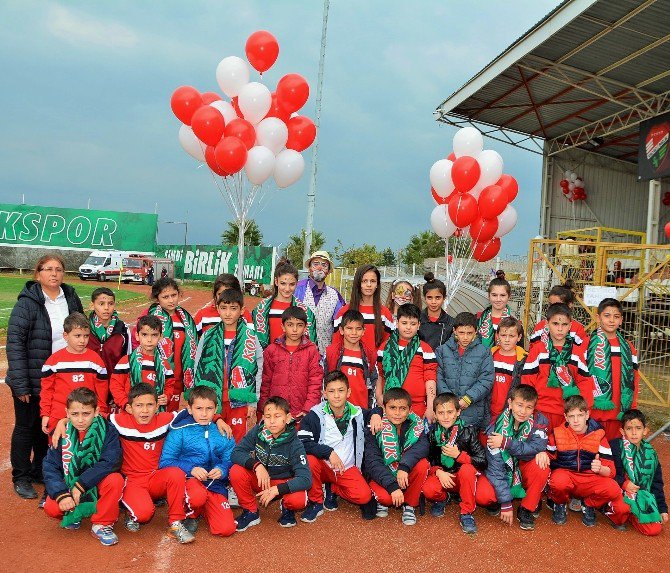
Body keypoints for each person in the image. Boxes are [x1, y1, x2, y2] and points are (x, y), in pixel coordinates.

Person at [7, 254, 83, 500]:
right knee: (26, 427)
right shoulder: (27, 303)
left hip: (61, 376)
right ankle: (21, 476)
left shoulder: (70, 297)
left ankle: (40, 469)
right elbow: (15, 343)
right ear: (38, 273)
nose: (54, 274)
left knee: (48, 427)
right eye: (48, 269)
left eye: (59, 269)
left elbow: (80, 331)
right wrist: (21, 383)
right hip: (31, 376)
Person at [110, 383, 194, 543]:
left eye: (150, 405)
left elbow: (193, 411)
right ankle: (130, 511)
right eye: (139, 405)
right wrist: (63, 421)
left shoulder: (165, 419)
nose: (144, 410)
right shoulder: (119, 421)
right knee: (144, 514)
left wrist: (218, 419)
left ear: (157, 406)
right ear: (129, 408)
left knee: (176, 473)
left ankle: (176, 523)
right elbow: (93, 415)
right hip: (132, 481)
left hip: (156, 478)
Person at [42, 388, 123, 546]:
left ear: (97, 411)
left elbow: (110, 461)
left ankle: (102, 523)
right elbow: (50, 466)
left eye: (86, 414)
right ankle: (74, 512)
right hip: (69, 484)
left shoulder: (108, 430)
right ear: (67, 413)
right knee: (52, 507)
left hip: (94, 484)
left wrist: (82, 484)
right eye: (74, 414)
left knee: (115, 480)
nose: (80, 420)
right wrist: (61, 494)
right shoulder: (61, 432)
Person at [298, 371, 376, 522]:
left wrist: (376, 414)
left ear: (348, 392)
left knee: (364, 496)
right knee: (309, 460)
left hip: (346, 468)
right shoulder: (314, 415)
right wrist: (328, 452)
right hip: (323, 466)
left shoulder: (357, 413)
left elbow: (376, 410)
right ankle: (316, 502)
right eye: (331, 391)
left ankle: (332, 488)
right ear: (324, 394)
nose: (336, 395)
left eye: (341, 390)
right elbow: (302, 442)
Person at [159, 386, 237, 537]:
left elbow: (230, 459)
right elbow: (166, 461)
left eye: (209, 408)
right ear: (189, 409)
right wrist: (191, 469)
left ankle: (204, 510)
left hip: (214, 485)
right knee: (197, 496)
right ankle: (191, 513)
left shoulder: (222, 431)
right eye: (199, 408)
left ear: (216, 410)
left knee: (226, 529)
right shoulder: (179, 431)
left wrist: (222, 469)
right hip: (189, 481)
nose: (204, 413)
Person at [230, 396, 312, 530]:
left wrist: (278, 489)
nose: (272, 421)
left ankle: (287, 508)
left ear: (287, 418)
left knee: (298, 500)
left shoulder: (295, 443)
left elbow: (306, 479)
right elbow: (236, 453)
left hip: (281, 484)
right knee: (236, 471)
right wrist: (256, 465)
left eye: (277, 416)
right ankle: (250, 511)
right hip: (262, 480)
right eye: (268, 416)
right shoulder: (258, 431)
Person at [191, 288, 259, 442]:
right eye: (224, 308)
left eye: (233, 308)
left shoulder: (250, 337)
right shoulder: (208, 335)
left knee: (236, 440)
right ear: (218, 309)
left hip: (239, 400)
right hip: (213, 399)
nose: (228, 313)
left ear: (242, 310)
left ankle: (235, 466)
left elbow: (257, 369)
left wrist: (253, 401)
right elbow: (198, 366)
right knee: (213, 439)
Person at [422, 393, 495, 534]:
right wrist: (438, 471)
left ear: (458, 412)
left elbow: (482, 462)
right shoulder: (432, 434)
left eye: (450, 412)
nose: (446, 417)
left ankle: (466, 512)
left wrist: (459, 456)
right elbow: (429, 459)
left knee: (473, 477)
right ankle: (444, 498)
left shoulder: (469, 431)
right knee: (429, 489)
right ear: (435, 415)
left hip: (466, 479)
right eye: (441, 413)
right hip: (447, 478)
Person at [547, 395, 622, 527]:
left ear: (587, 415)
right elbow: (548, 458)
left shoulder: (599, 435)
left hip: (589, 479)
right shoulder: (557, 433)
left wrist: (601, 469)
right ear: (565, 417)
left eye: (580, 415)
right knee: (557, 481)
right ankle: (560, 503)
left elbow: (611, 470)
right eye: (571, 416)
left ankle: (588, 504)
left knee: (613, 488)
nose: (576, 421)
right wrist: (542, 453)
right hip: (567, 476)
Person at [485, 384, 551, 531]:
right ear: (510, 403)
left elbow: (536, 448)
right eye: (519, 405)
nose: (523, 411)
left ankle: (527, 507)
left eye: (529, 407)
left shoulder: (540, 421)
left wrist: (506, 443)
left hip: (525, 466)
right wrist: (506, 503)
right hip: (502, 468)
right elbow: (495, 466)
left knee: (542, 465)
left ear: (534, 408)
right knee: (485, 495)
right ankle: (499, 498)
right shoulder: (497, 424)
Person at [522, 303, 596, 431]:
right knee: (539, 448)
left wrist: (582, 410)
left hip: (567, 413)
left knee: (563, 449)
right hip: (541, 411)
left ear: (570, 326)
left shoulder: (577, 352)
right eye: (555, 324)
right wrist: (528, 407)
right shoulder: (538, 350)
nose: (560, 329)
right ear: (547, 324)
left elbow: (585, 382)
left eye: (564, 324)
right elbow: (528, 381)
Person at [363, 387, 430, 526]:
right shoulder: (376, 425)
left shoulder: (417, 424)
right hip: (383, 475)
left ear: (409, 409)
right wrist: (392, 486)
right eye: (392, 408)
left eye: (402, 408)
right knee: (386, 499)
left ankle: (409, 505)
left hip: (404, 473)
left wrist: (404, 466)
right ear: (384, 408)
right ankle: (386, 496)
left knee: (423, 464)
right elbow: (372, 462)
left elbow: (423, 447)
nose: (398, 413)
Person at [40, 312, 109, 438]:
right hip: (59, 414)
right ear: (65, 335)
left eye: (86, 336)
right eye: (77, 336)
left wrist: (101, 412)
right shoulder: (53, 362)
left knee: (85, 452)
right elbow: (47, 391)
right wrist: (45, 414)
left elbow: (102, 391)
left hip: (87, 417)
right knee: (59, 452)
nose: (82, 340)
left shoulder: (95, 361)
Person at [607, 409, 668, 535]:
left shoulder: (651, 454)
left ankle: (632, 514)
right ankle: (615, 510)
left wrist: (662, 509)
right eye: (629, 428)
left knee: (654, 530)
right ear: (622, 431)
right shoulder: (615, 447)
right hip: (619, 492)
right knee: (621, 509)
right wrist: (624, 483)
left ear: (645, 430)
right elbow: (608, 474)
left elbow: (656, 483)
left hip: (642, 495)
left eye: (638, 428)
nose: (634, 433)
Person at [259, 306, 323, 421]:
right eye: (290, 325)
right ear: (283, 326)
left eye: (299, 325)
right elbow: (265, 382)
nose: (294, 329)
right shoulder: (271, 350)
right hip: (276, 412)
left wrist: (308, 409)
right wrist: (265, 408)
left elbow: (315, 382)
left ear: (305, 328)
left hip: (301, 413)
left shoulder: (312, 350)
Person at [588, 298, 639, 441]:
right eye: (607, 316)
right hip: (593, 413)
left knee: (616, 456)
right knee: (593, 456)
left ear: (621, 320)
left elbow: (634, 378)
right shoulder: (588, 344)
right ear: (598, 318)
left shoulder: (628, 347)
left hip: (619, 414)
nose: (611, 320)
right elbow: (581, 378)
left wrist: (632, 406)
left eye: (616, 317)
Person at [376, 303, 437, 420]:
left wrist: (430, 407)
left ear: (419, 325)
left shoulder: (425, 349)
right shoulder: (385, 348)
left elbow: (430, 379)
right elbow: (380, 375)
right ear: (397, 323)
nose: (408, 327)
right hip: (390, 407)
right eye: (404, 323)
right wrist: (379, 396)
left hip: (417, 408)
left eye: (413, 324)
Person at [145, 277, 198, 411]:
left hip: (179, 376)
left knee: (171, 414)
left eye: (173, 295)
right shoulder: (151, 317)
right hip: (157, 376)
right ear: (157, 299)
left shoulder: (185, 317)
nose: (171, 300)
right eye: (165, 297)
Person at [435, 312, 494, 431]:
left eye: (469, 333)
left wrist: (468, 398)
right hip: (447, 411)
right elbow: (438, 376)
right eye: (461, 332)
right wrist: (450, 400)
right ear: (454, 330)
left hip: (473, 411)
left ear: (476, 332)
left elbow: (486, 379)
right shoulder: (442, 350)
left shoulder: (484, 352)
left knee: (469, 446)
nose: (465, 337)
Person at [110, 315, 174, 411]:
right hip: (131, 413)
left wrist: (167, 396)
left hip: (155, 413)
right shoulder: (126, 361)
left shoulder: (164, 364)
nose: (149, 340)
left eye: (154, 335)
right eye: (144, 334)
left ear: (161, 337)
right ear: (137, 336)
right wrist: (125, 403)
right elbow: (116, 385)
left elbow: (169, 384)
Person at [252, 260, 317, 351]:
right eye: (283, 283)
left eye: (292, 284)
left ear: (297, 283)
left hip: (296, 361)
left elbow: (311, 344)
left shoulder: (305, 311)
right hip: (268, 361)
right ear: (276, 281)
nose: (287, 289)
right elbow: (254, 342)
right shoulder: (261, 309)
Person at [333, 264, 395, 355]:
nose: (369, 285)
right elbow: (336, 344)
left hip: (376, 367)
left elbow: (389, 346)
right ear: (358, 283)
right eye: (364, 281)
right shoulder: (344, 312)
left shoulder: (385, 313)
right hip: (348, 365)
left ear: (377, 284)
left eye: (373, 281)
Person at [324, 309, 378, 409]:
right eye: (349, 328)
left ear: (363, 331)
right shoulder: (331, 353)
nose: (354, 332)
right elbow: (324, 381)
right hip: (336, 410)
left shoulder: (369, 355)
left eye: (358, 329)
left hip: (361, 410)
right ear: (341, 330)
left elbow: (374, 384)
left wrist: (371, 410)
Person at [294, 250, 346, 354]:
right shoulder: (297, 289)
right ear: (309, 268)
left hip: (325, 354)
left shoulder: (334, 295)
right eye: (316, 264)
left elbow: (341, 324)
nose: (319, 268)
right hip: (298, 352)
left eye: (324, 265)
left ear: (328, 271)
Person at [85, 288, 132, 400]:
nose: (106, 308)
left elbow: (127, 360)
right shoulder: (84, 328)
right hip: (88, 388)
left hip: (114, 387)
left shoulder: (123, 329)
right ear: (92, 305)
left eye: (110, 304)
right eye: (101, 304)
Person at [529, 280, 587, 351]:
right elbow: (533, 351)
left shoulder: (577, 329)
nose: (553, 308)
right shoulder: (541, 326)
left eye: (558, 305)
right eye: (550, 304)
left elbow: (582, 353)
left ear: (570, 305)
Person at [490, 316, 527, 423]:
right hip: (487, 412)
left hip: (510, 413)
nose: (507, 340)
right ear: (497, 336)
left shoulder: (524, 360)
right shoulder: (488, 356)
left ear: (519, 337)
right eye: (503, 335)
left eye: (511, 336)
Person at [419, 272, 454, 351]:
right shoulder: (417, 320)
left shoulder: (451, 323)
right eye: (429, 298)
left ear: (444, 298)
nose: (433, 302)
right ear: (424, 297)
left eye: (438, 298)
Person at [477, 277, 514, 348]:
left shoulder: (515, 323)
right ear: (489, 296)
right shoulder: (478, 319)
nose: (498, 299)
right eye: (494, 295)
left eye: (502, 295)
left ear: (509, 297)